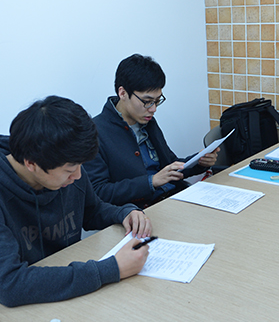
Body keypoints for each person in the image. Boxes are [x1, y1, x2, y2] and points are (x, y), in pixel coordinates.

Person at [0, 96, 152, 307]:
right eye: (69, 170)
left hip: (62, 287)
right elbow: (9, 284)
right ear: (31, 163)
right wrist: (111, 269)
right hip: (1, 309)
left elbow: (92, 211)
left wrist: (124, 213)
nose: (78, 176)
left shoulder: (66, 166)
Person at [85, 54, 219, 208]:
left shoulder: (147, 122)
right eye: (147, 101)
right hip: (139, 212)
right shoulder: (95, 133)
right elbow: (99, 192)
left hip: (173, 197)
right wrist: (151, 182)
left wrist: (199, 162)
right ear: (122, 93)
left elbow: (170, 165)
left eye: (157, 101)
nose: (153, 109)